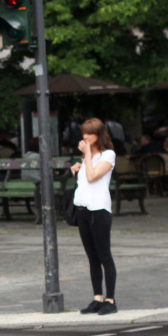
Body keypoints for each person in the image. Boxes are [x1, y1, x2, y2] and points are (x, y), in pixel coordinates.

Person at [69, 118, 118, 315]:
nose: (85, 137)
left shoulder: (108, 155)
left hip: (99, 211)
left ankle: (110, 299)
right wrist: (76, 170)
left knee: (104, 255)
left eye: (90, 133)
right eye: (84, 133)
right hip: (83, 210)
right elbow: (85, 182)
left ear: (99, 135)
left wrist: (87, 155)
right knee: (92, 257)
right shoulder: (85, 157)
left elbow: (93, 176)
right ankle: (97, 297)